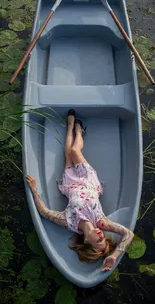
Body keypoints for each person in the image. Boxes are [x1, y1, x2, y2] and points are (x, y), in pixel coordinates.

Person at [26, 109, 134, 272]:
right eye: (103, 238)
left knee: (67, 153)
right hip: (88, 179)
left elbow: (44, 212)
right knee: (75, 151)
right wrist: (114, 255)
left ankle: (70, 126)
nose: (101, 235)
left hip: (71, 183)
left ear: (85, 242)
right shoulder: (101, 221)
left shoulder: (69, 222)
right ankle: (79, 131)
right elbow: (128, 234)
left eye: (98, 240)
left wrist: (34, 189)